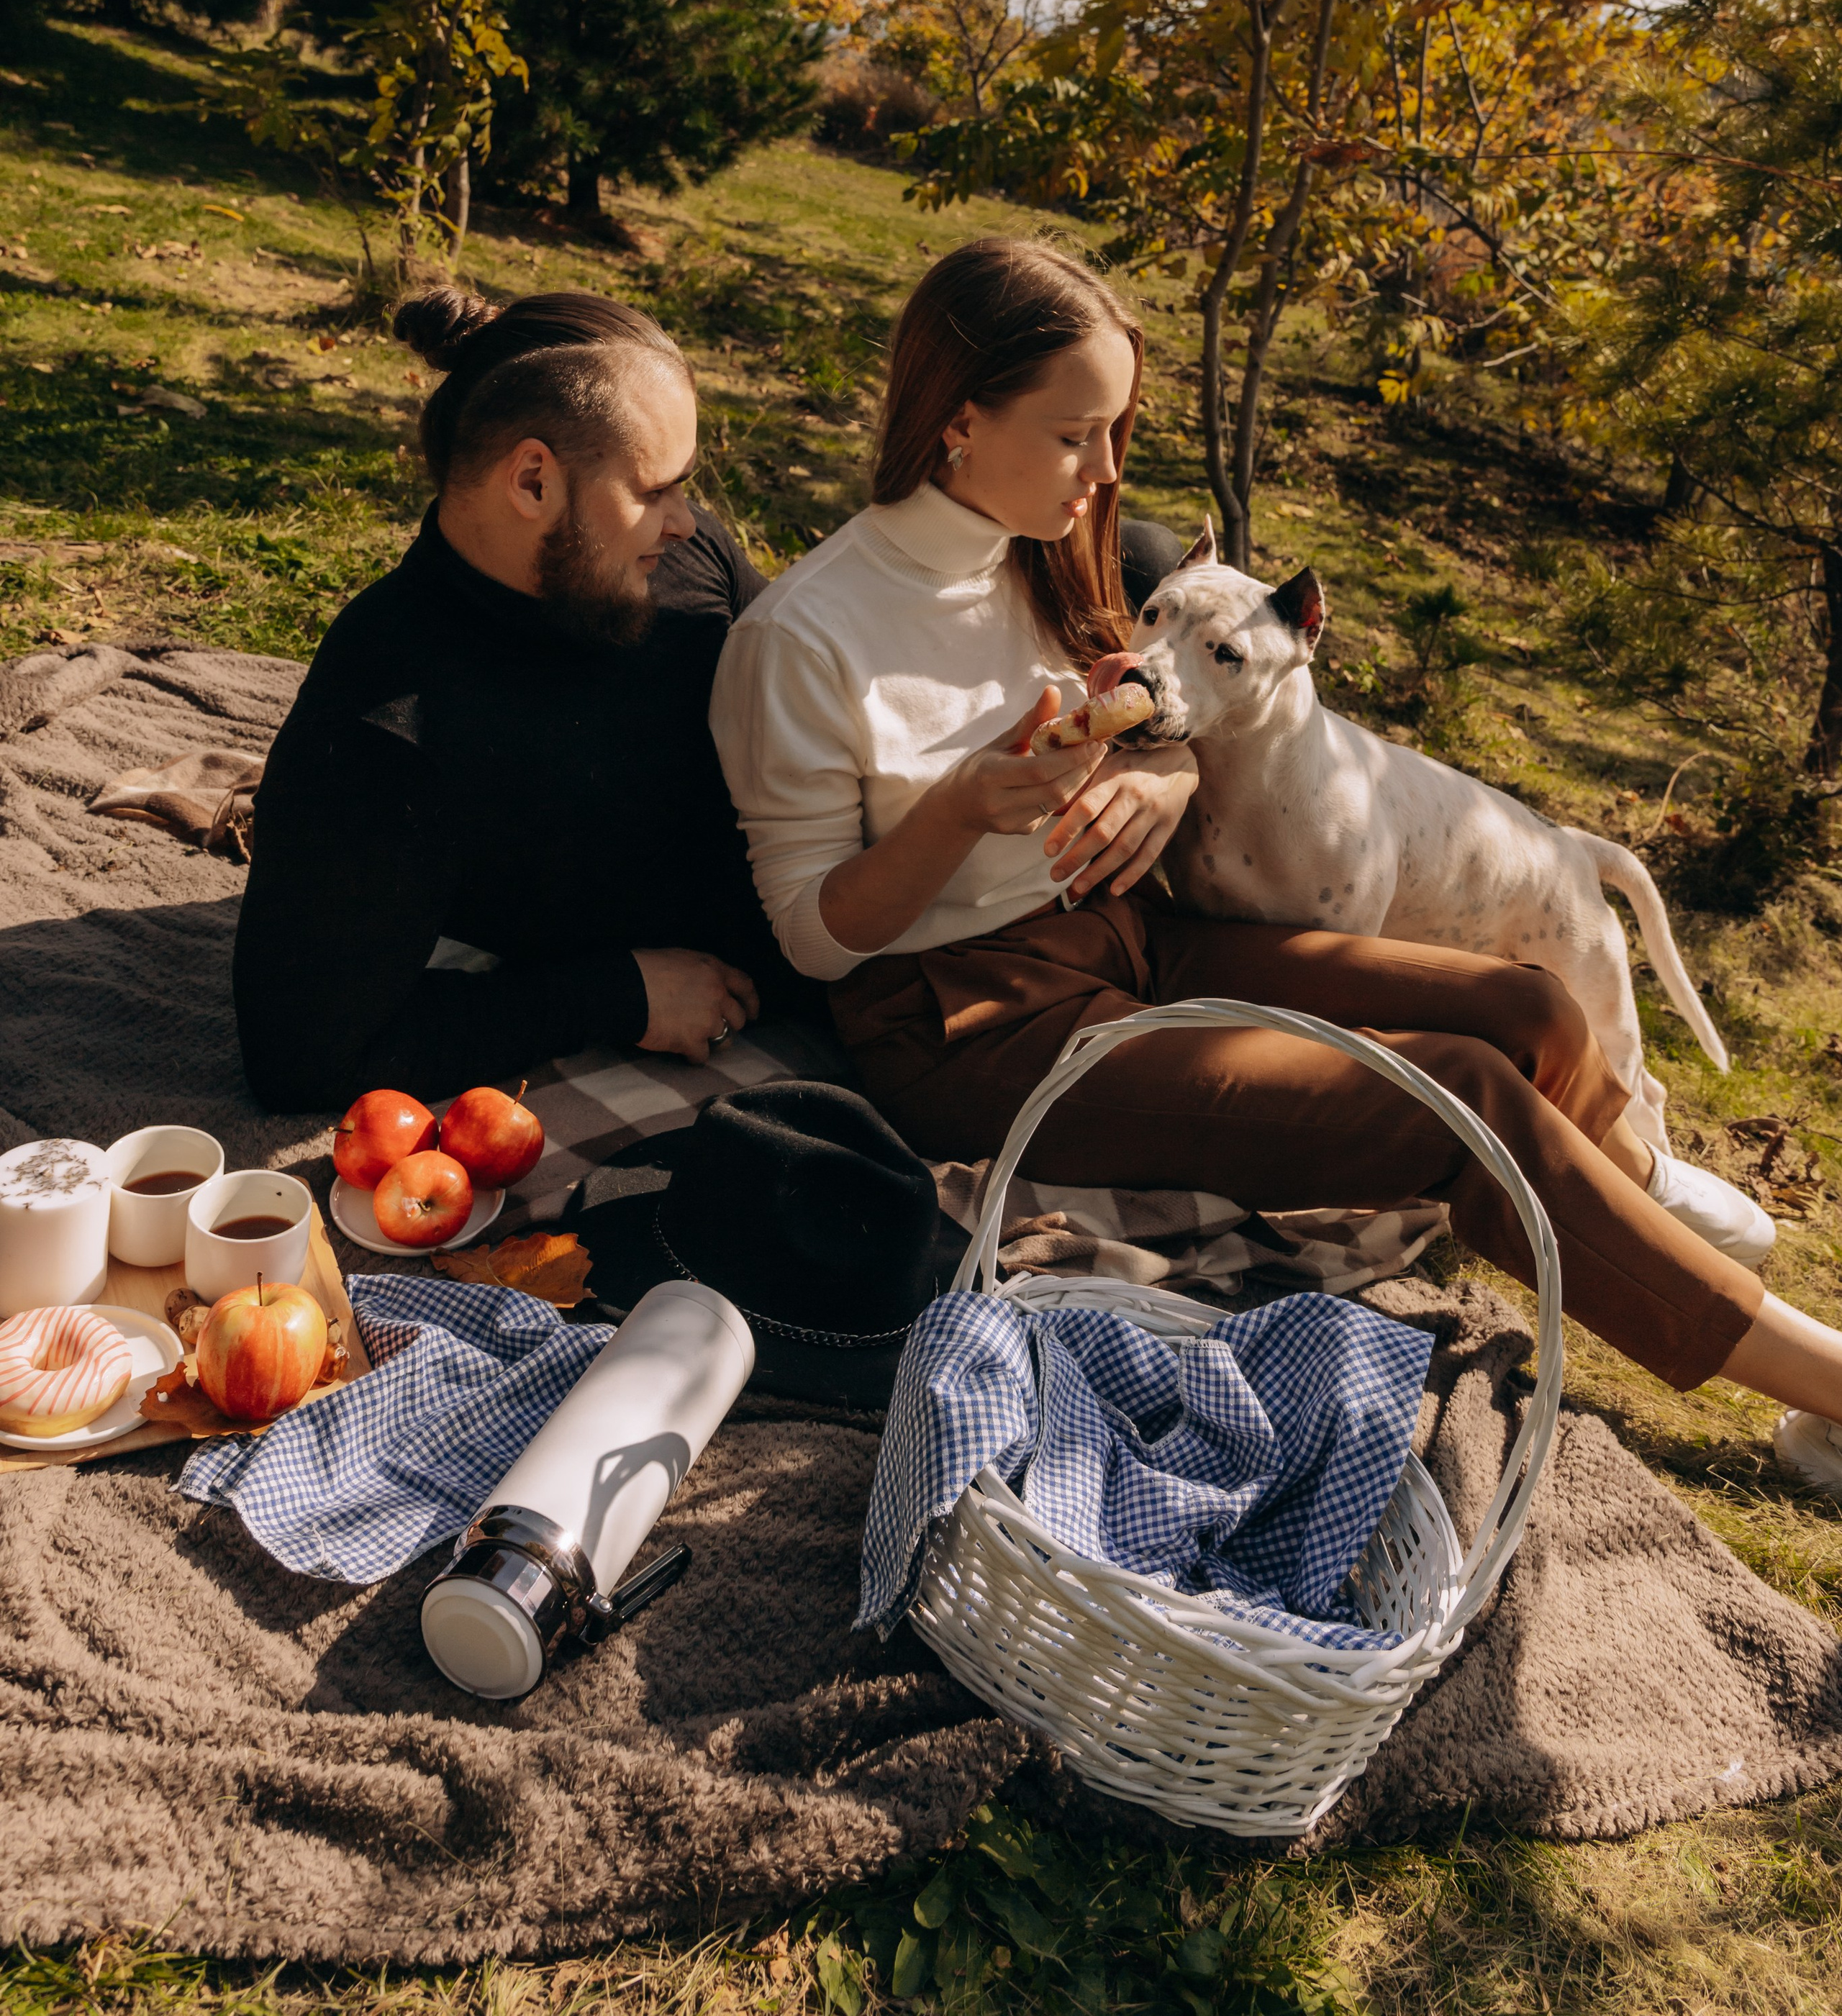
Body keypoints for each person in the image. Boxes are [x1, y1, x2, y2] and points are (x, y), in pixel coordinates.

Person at [710, 235, 1842, 1497]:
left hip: (1135, 940)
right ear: (961, 423)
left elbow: (1174, 709)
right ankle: (1821, 1383)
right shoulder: (802, 638)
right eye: (1078, 434)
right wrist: (963, 808)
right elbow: (817, 937)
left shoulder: (1040, 552)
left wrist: (1164, 770)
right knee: (1457, 1092)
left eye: (1118, 433)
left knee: (1525, 1004)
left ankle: (1616, 1199)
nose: (1107, 475)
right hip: (975, 1024)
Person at [235, 286, 814, 1114]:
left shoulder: (668, 557)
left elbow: (802, 688)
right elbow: (300, 1053)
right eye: (655, 492)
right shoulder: (386, 723)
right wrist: (617, 995)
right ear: (534, 480)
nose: (688, 522)